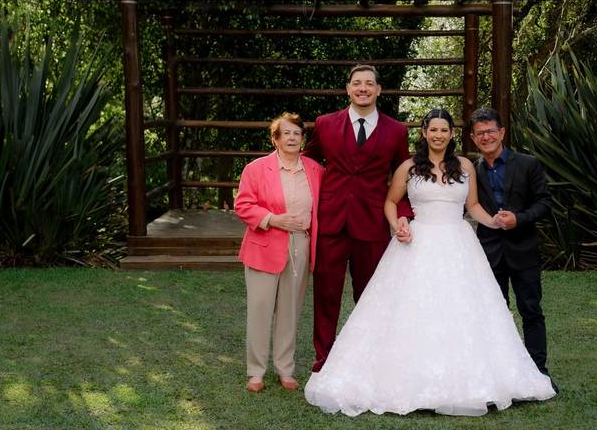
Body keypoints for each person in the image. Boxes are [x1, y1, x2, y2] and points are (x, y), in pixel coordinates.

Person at [304, 109, 555, 416]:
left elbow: (473, 205)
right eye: (433, 129)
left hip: (458, 243)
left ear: (452, 134)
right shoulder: (409, 167)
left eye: (444, 130)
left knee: (463, 309)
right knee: (413, 308)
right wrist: (398, 224)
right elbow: (390, 201)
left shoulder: (465, 166)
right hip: (418, 242)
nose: (438, 135)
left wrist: (495, 222)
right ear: (424, 132)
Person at [303, 64, 412, 372]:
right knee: (326, 294)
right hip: (331, 221)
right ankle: (324, 359)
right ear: (348, 89)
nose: (363, 88)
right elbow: (307, 163)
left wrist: (403, 215)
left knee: (371, 294)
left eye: (369, 83)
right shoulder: (325, 124)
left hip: (373, 223)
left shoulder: (396, 130)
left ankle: (369, 358)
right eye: (357, 83)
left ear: (379, 90)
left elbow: (403, 176)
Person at [234, 112, 323, 393]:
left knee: (290, 311)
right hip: (264, 244)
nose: (292, 138)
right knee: (260, 310)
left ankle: (285, 369)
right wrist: (273, 219)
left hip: (301, 245)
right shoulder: (256, 169)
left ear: (303, 139)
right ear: (275, 139)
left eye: (297, 133)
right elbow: (243, 205)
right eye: (286, 133)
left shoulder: (315, 170)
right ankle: (256, 372)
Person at [469, 107, 554, 383]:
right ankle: (500, 374)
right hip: (489, 253)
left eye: (490, 131)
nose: (486, 137)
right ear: (473, 138)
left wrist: (519, 219)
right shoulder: (471, 171)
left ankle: (538, 372)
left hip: (523, 249)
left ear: (502, 132)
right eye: (480, 133)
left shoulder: (528, 164)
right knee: (495, 313)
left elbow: (545, 203)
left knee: (531, 310)